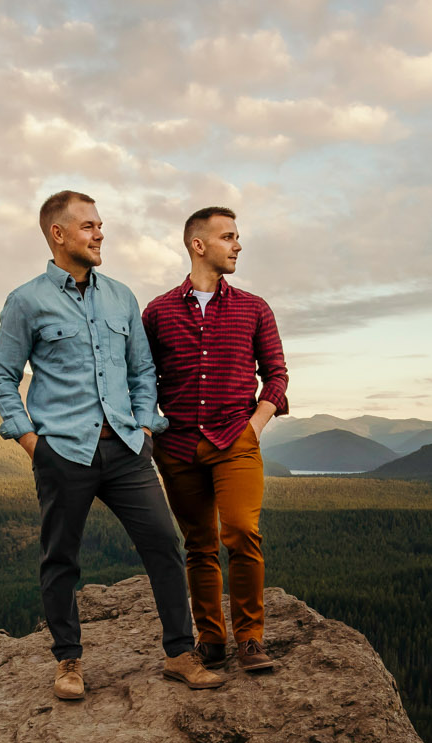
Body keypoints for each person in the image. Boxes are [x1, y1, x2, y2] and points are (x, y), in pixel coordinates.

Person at [0, 189, 226, 700]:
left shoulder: (121, 296)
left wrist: (143, 427)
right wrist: (32, 441)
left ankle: (179, 654)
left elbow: (143, 370)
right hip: (63, 452)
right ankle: (68, 662)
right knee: (61, 559)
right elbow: (3, 378)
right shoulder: (26, 301)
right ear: (58, 234)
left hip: (124, 449)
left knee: (165, 544)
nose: (100, 234)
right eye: (89, 226)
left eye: (100, 226)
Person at [142, 206, 288, 674]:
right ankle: (211, 640)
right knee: (199, 544)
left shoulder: (254, 308)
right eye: (229, 237)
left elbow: (277, 375)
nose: (238, 245)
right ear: (198, 245)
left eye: (238, 236)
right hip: (179, 445)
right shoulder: (158, 311)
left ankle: (250, 639)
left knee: (242, 532)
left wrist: (256, 424)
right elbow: (141, 377)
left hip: (236, 438)